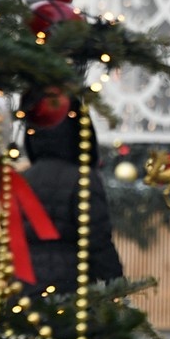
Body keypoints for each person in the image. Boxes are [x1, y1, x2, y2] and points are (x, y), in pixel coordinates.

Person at [20, 98, 124, 297]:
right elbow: (98, 240)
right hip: (71, 289)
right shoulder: (83, 180)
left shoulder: (22, 181)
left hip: (25, 288)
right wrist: (117, 283)